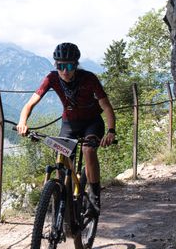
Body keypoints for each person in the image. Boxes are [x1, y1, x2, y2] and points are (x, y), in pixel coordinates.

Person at [17, 42, 116, 215]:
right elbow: (30, 104)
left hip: (92, 122)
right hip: (69, 123)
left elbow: (106, 107)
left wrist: (111, 131)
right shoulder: (52, 78)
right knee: (61, 155)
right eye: (60, 66)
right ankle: (62, 198)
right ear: (56, 65)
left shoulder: (89, 78)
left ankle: (94, 197)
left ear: (76, 65)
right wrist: (22, 122)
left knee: (88, 150)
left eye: (69, 66)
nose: (65, 71)